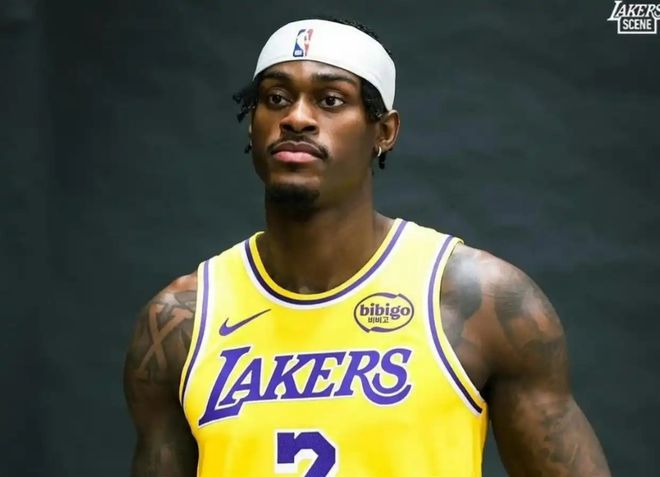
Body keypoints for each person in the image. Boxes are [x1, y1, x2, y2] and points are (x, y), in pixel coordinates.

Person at [124, 17, 611, 477]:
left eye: (331, 100)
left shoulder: (476, 301)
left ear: (384, 131)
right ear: (252, 125)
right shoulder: (182, 321)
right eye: (275, 98)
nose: (297, 117)